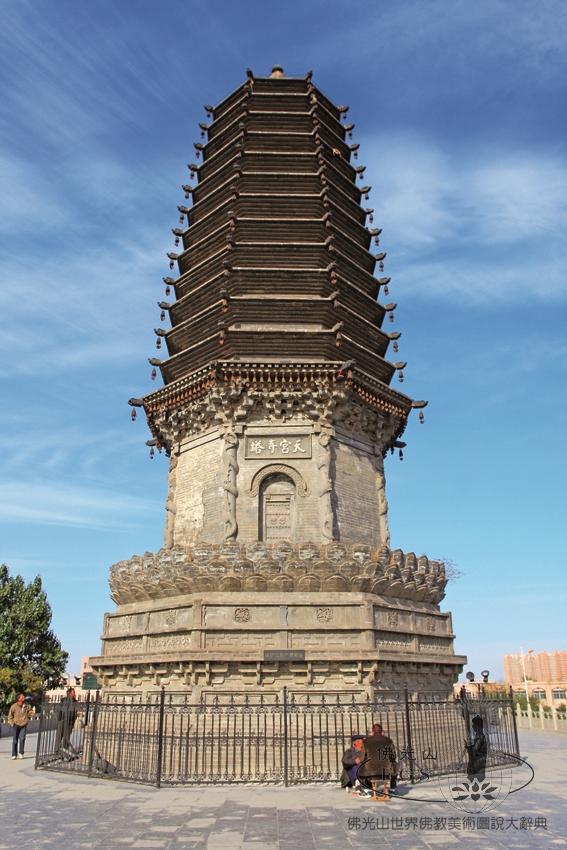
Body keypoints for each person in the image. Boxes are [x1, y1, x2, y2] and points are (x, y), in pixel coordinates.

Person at [358, 723, 398, 796]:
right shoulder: (388, 741)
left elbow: (362, 758)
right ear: (382, 731)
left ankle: (366, 790)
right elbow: (393, 756)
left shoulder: (366, 741)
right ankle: (392, 789)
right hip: (386, 770)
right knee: (394, 764)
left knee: (361, 767)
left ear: (373, 731)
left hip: (371, 770)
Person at [8, 693, 34, 760]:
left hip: (23, 725)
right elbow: (10, 716)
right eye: (22, 696)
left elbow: (30, 713)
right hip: (16, 725)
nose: (24, 697)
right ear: (19, 699)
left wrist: (31, 713)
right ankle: (14, 754)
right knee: (15, 740)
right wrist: (12, 723)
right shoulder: (14, 706)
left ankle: (21, 753)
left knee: (22, 739)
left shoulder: (27, 705)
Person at [57, 687, 78, 756]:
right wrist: (59, 719)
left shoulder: (75, 701)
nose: (74, 693)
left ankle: (65, 751)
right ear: (69, 693)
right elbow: (60, 710)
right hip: (62, 720)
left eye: (74, 692)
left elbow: (75, 712)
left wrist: (73, 721)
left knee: (67, 737)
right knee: (59, 735)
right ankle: (57, 750)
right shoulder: (64, 700)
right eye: (73, 692)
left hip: (70, 722)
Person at [466, 715, 487, 781]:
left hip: (479, 760)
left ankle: (472, 776)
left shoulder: (480, 736)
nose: (472, 726)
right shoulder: (479, 735)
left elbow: (475, 750)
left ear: (477, 726)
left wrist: (468, 747)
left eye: (474, 724)